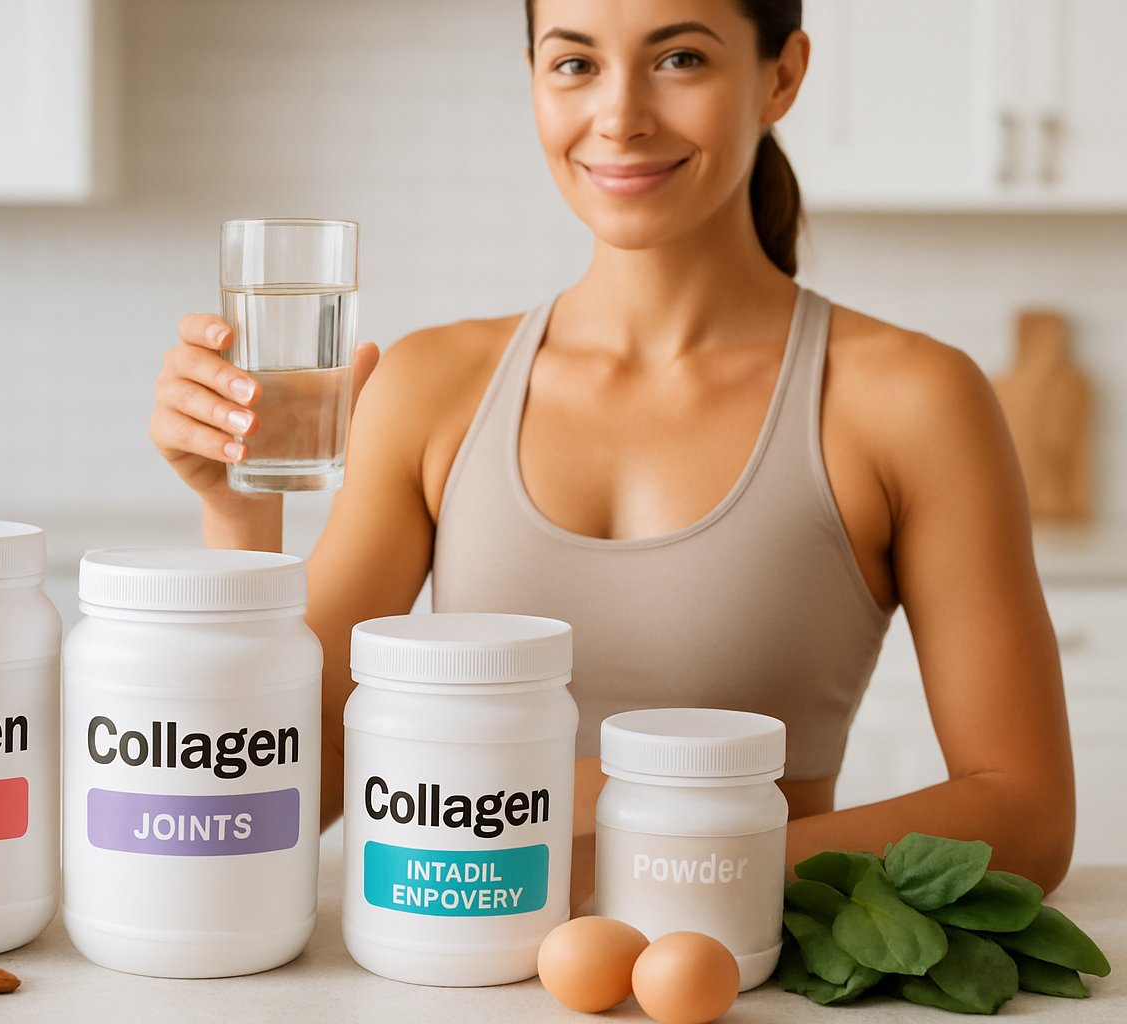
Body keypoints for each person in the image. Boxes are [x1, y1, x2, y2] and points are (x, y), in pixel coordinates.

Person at [148, 0, 1074, 907]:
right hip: (463, 966)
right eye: (575, 63)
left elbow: (1025, 813)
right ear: (535, 83)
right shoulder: (432, 384)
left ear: (781, 75)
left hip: (739, 975)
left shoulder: (911, 400)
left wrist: (635, 878)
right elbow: (278, 788)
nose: (620, 118)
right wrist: (238, 510)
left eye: (680, 59)